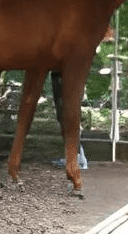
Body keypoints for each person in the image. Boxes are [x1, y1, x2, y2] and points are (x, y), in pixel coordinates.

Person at [51, 25, 115, 170]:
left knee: (68, 114)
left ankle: (78, 157)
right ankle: (72, 155)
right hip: (60, 72)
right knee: (63, 115)